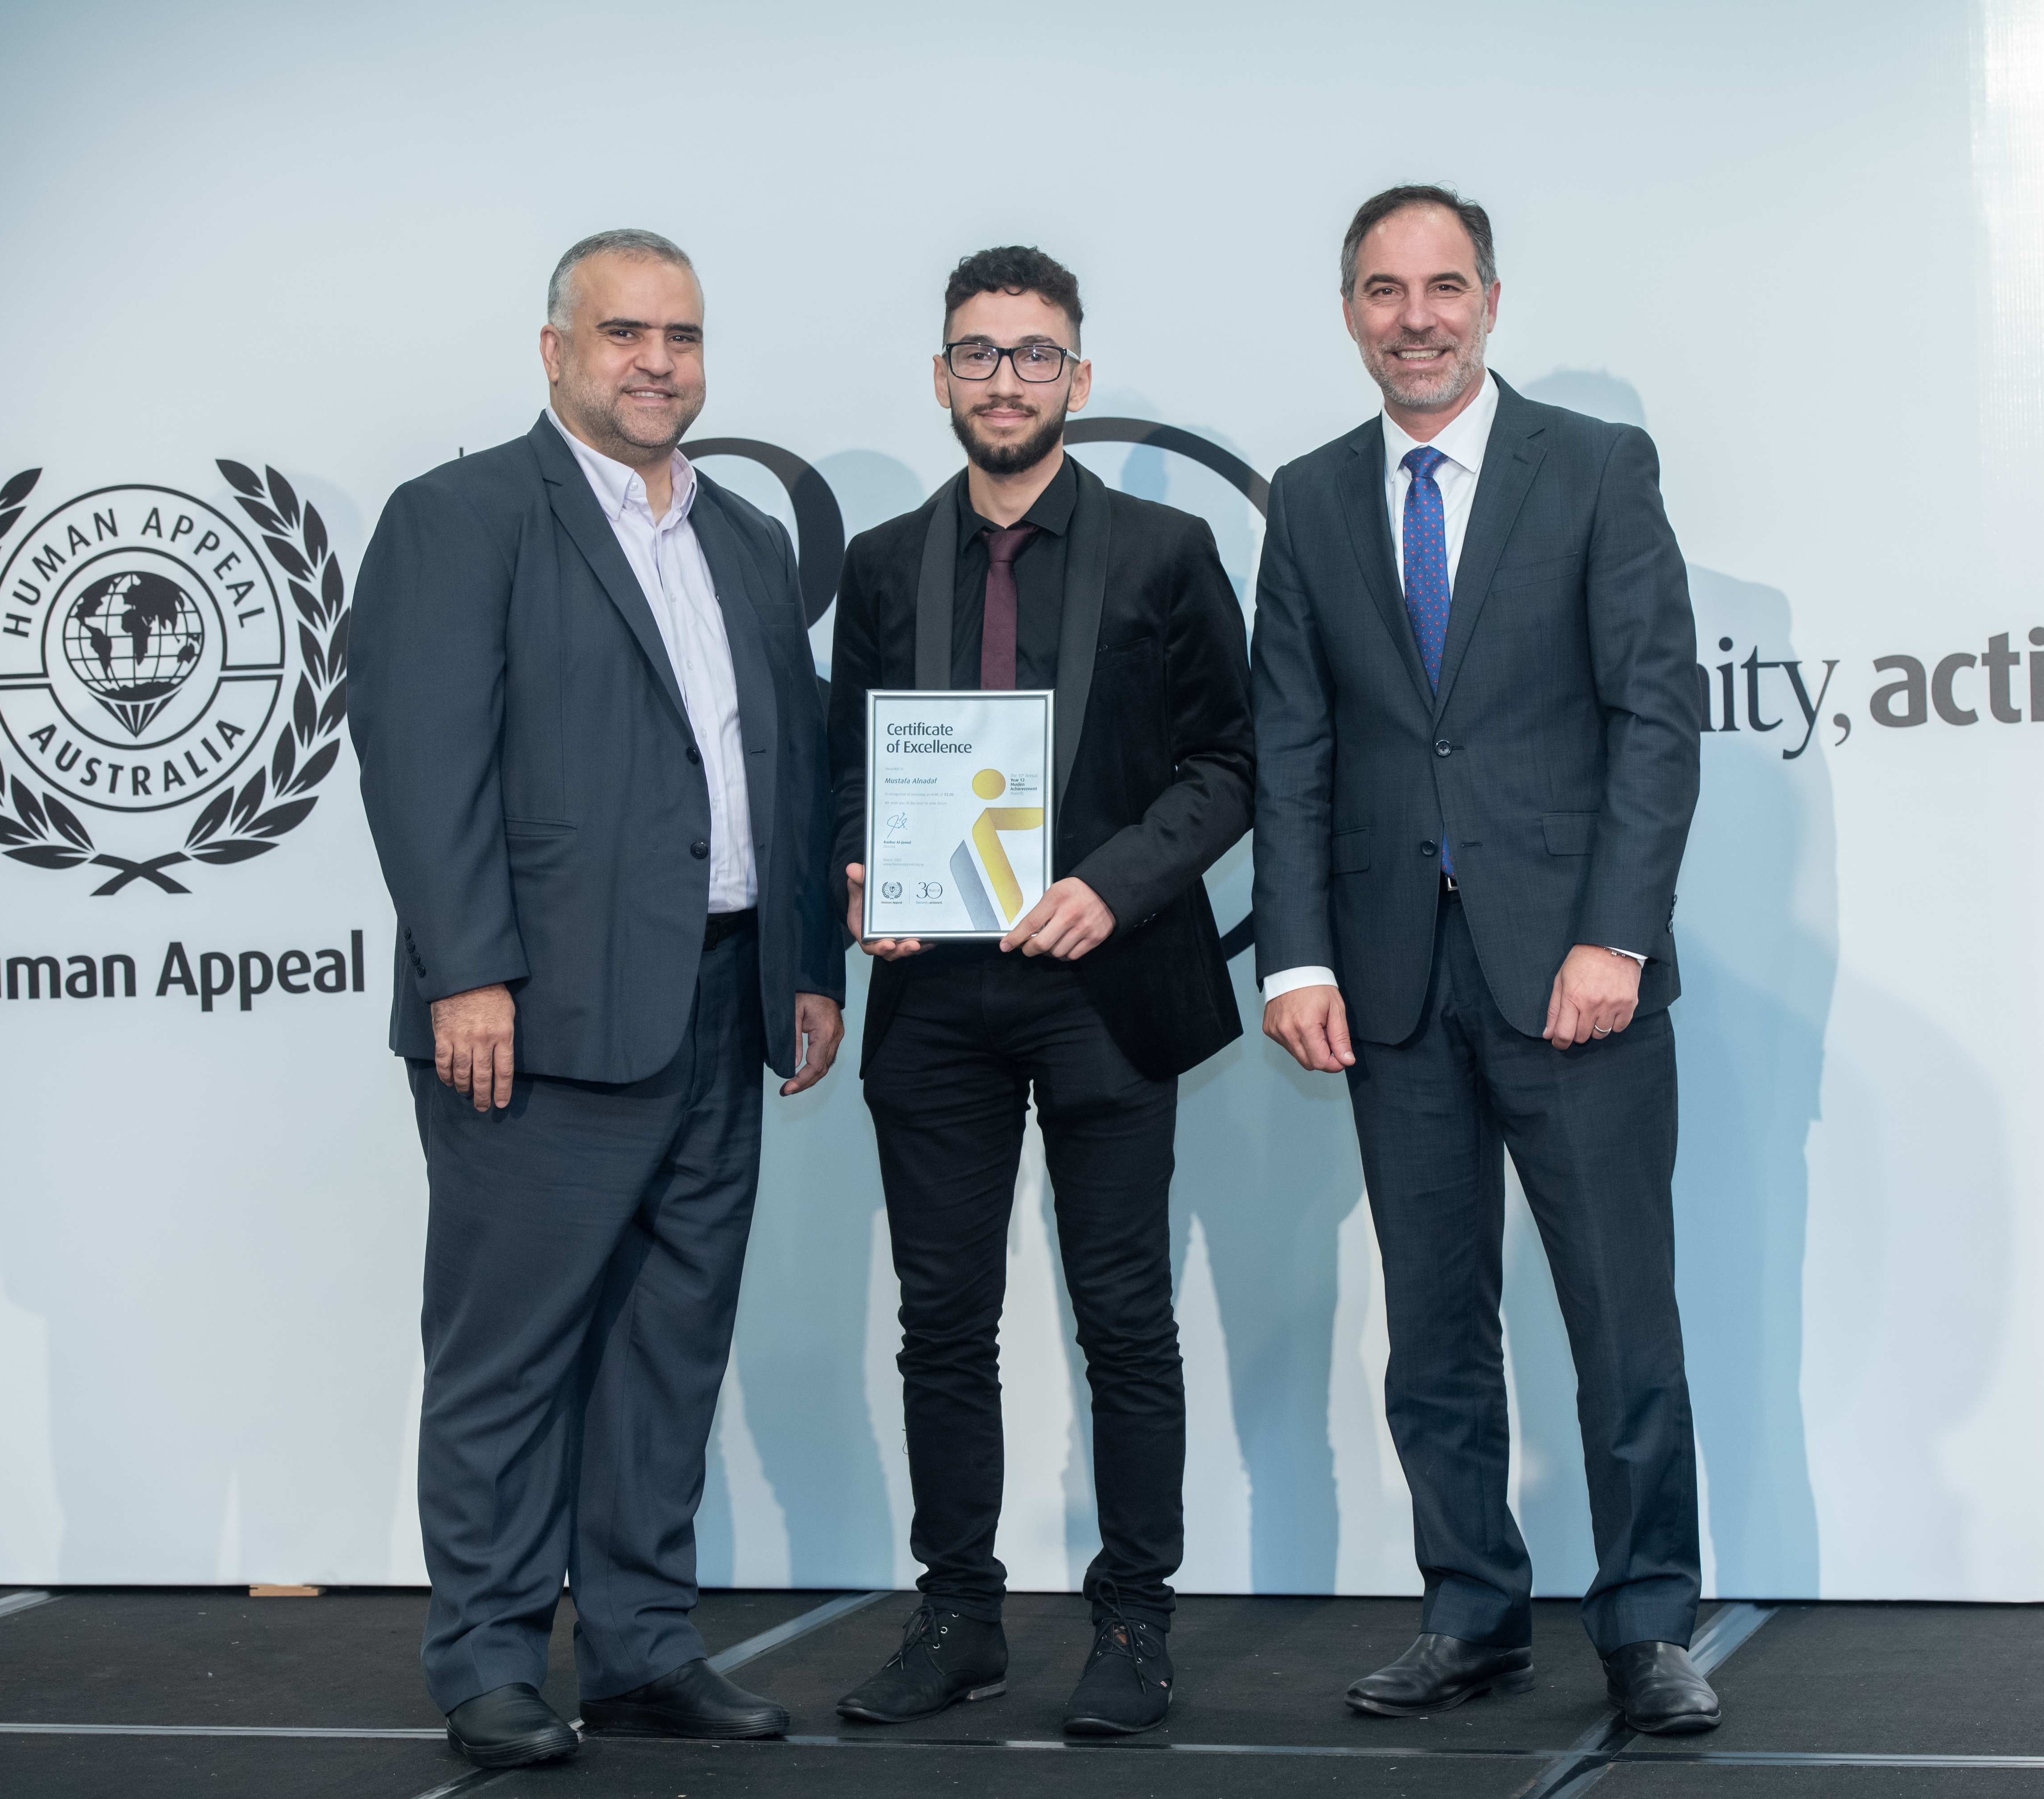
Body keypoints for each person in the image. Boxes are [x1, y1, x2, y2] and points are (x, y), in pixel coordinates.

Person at [349, 228, 845, 1769]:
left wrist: (808, 969)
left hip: (719, 1002)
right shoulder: (459, 517)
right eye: (622, 333)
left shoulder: (749, 539)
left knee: (668, 1347)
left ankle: (638, 1647)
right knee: (507, 1355)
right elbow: (425, 771)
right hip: (536, 1017)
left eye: (681, 337)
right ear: (554, 350)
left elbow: (789, 766)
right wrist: (470, 972)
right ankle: (490, 1661)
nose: (656, 362)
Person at [1250, 187, 1718, 1734]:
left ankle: (1650, 1628)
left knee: (1618, 1316)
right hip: (1389, 982)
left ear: (1494, 302)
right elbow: (1295, 748)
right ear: (1350, 315)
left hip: (1572, 979)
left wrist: (1617, 935)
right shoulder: (1310, 500)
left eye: (1444, 286)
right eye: (1385, 291)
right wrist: (1295, 958)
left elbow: (1656, 715)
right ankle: (1472, 1613)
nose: (1417, 317)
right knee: (1434, 1323)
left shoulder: (1592, 470)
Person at [825, 245, 1254, 1738]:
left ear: (1076, 373)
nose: (1004, 378)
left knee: (1122, 1316)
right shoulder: (884, 562)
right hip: (933, 1002)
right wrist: (860, 876)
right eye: (977, 352)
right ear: (939, 374)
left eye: (1033, 353)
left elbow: (1230, 768)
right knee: (942, 1323)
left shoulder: (1166, 548)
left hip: (1110, 988)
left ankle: (1134, 1627)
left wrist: (1115, 883)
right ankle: (959, 1620)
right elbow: (848, 774)